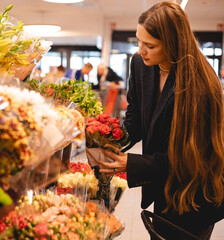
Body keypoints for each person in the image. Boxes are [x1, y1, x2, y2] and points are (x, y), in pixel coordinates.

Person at [90, 1, 224, 239]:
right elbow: (136, 115)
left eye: (150, 45)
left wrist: (131, 164)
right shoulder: (141, 64)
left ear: (174, 45)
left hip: (193, 195)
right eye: (139, 40)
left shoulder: (201, 85)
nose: (140, 50)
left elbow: (191, 159)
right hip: (162, 184)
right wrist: (109, 137)